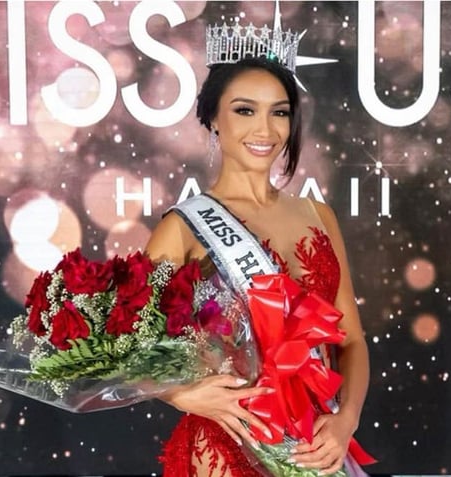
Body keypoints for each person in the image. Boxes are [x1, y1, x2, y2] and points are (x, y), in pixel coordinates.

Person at [144, 50, 370, 476]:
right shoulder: (183, 227)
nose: (265, 129)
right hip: (231, 441)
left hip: (316, 440)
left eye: (279, 113)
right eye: (245, 110)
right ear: (213, 118)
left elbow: (351, 340)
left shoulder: (318, 216)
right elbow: (129, 342)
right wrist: (182, 395)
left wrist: (346, 420)